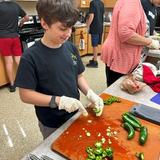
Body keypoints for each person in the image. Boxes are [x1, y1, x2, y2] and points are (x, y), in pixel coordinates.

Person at [15, 0, 104, 139]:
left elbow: (78, 76)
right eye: (63, 29)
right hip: (51, 122)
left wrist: (90, 93)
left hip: (75, 112)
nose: (68, 33)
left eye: (71, 28)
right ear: (44, 23)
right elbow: (25, 95)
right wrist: (58, 101)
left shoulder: (71, 48)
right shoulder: (30, 57)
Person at [101, 0, 160, 87]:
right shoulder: (131, 2)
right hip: (120, 55)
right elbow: (126, 33)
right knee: (117, 90)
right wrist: (150, 42)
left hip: (119, 54)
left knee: (116, 86)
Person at [0, 0, 29, 92]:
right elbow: (27, 18)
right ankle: (26, 81)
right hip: (15, 37)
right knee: (18, 60)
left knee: (9, 62)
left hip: (4, 38)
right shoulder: (15, 5)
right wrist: (21, 22)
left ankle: (12, 85)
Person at [86, 0, 104, 68]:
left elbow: (91, 16)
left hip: (95, 27)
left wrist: (87, 26)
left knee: (94, 45)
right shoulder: (101, 3)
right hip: (100, 26)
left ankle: (95, 62)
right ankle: (94, 58)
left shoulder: (92, 3)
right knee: (96, 44)